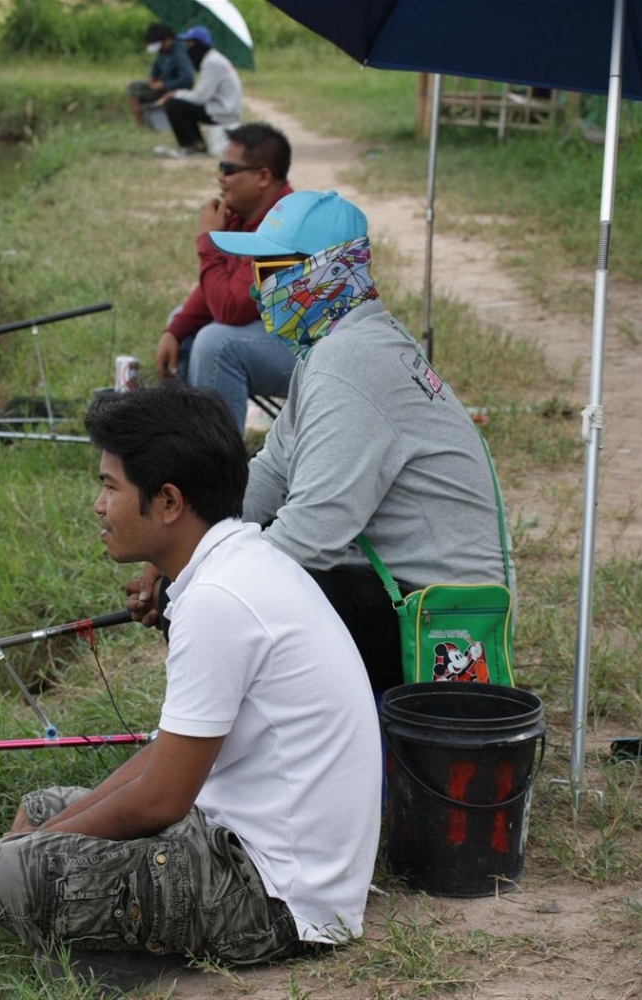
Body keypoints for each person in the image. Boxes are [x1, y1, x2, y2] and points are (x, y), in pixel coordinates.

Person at [0, 384, 382, 991]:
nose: (98, 505)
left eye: (111, 486)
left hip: (278, 899)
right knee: (38, 816)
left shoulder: (218, 600)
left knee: (11, 870)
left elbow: (161, 801)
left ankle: (125, 961)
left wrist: (30, 853)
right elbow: (166, 761)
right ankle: (107, 945)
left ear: (167, 501)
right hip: (240, 840)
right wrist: (44, 834)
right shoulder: (232, 565)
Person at [128, 190, 515, 694]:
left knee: (218, 603)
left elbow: (311, 533)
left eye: (269, 271)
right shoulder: (334, 346)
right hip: (397, 591)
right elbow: (271, 470)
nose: (255, 288)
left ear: (324, 271)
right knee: (216, 581)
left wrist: (193, 578)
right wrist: (175, 551)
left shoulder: (349, 362)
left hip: (438, 622)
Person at [155, 123, 297, 434]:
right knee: (185, 323)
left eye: (229, 169)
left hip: (311, 351)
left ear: (263, 177)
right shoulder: (244, 216)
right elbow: (217, 290)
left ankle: (220, 468)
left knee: (217, 343)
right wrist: (175, 330)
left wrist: (208, 240)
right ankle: (185, 443)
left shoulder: (284, 226)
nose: (220, 177)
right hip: (272, 331)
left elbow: (230, 308)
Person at [152, 26, 243, 159]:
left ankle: (192, 147)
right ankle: (196, 144)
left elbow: (200, 97)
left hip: (223, 111)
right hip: (225, 107)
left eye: (189, 44)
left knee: (174, 105)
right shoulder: (212, 59)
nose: (186, 49)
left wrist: (175, 93)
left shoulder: (211, 62)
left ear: (198, 45)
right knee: (180, 102)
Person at [127, 23, 194, 128]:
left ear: (167, 40)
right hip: (162, 88)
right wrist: (151, 79)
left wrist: (164, 85)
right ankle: (140, 124)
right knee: (133, 87)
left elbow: (188, 79)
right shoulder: (162, 52)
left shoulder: (179, 54)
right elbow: (156, 69)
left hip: (177, 90)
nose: (159, 50)